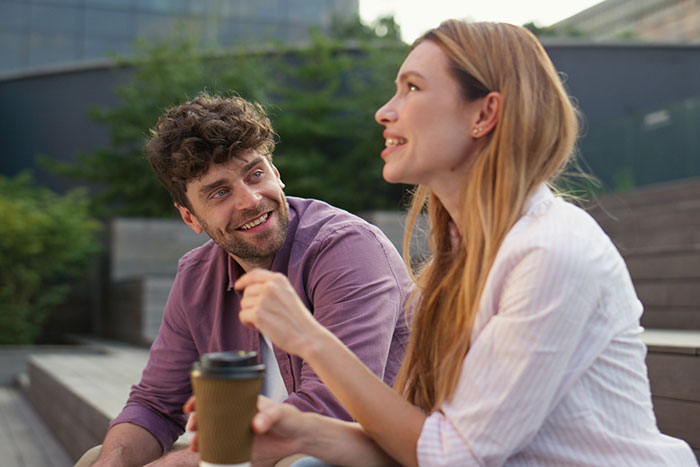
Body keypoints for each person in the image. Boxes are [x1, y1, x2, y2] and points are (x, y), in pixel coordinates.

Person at [222, 20, 698, 466]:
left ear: (484, 113)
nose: (384, 111)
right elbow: (425, 442)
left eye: (412, 88)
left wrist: (310, 339)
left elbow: (453, 457)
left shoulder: (552, 251)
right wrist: (304, 431)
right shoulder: (461, 258)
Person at [83, 93, 411, 467]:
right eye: (220, 192)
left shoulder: (347, 249)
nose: (251, 200)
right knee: (102, 457)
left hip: (374, 451)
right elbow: (155, 404)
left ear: (276, 173)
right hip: (267, 447)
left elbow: (328, 412)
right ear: (190, 218)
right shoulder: (196, 276)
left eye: (255, 173)